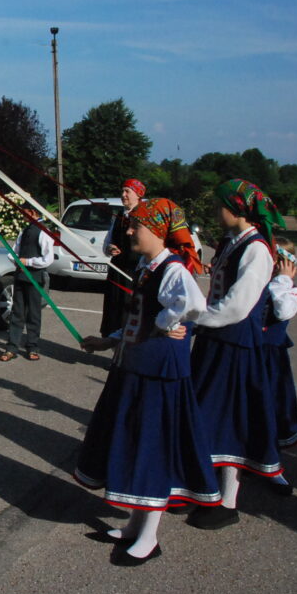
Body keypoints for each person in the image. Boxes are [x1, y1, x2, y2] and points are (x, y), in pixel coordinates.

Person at [75, 198, 217, 566]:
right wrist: (109, 340)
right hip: (135, 367)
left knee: (152, 446)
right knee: (136, 443)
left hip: (158, 373)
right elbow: (139, 315)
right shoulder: (146, 267)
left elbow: (194, 306)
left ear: (156, 231)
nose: (130, 230)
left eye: (136, 226)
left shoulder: (173, 269)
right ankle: (135, 525)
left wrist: (167, 325)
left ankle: (150, 536)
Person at [187, 179, 285, 530]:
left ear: (236, 209)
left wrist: (196, 318)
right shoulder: (233, 242)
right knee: (207, 417)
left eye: (220, 206)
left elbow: (238, 306)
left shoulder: (256, 249)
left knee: (230, 421)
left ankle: (227, 501)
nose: (216, 212)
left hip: (234, 343)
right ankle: (203, 490)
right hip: (216, 341)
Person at [264, 236, 297, 496]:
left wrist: (283, 280)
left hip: (272, 358)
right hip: (250, 353)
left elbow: (283, 311)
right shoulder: (257, 283)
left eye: (281, 261)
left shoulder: (288, 289)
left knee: (272, 410)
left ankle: (272, 466)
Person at [0, 206, 54, 362]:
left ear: (33, 212)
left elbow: (48, 259)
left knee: (33, 313)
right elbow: (14, 251)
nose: (22, 215)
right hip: (21, 276)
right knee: (17, 312)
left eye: (25, 212)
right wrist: (15, 259)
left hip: (35, 278)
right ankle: (12, 347)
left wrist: (28, 261)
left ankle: (32, 346)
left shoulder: (43, 232)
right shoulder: (24, 231)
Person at [99, 179, 145, 336]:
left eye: (127, 191)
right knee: (114, 311)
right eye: (123, 191)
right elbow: (107, 242)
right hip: (117, 271)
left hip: (133, 273)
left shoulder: (143, 216)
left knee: (128, 311)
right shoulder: (119, 216)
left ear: (138, 195)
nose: (123, 195)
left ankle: (126, 350)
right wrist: (110, 248)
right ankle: (114, 348)